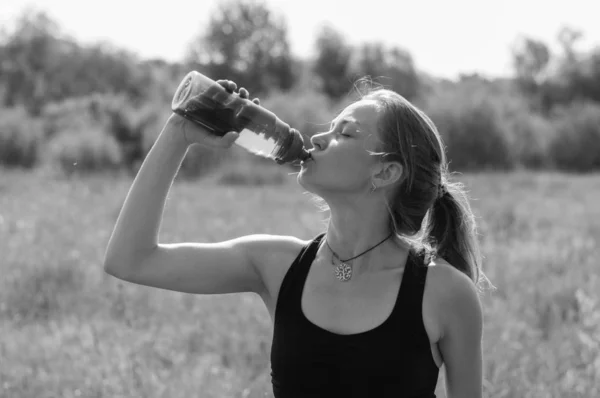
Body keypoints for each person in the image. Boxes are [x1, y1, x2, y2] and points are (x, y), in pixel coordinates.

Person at [104, 79, 488, 398]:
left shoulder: (444, 292)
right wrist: (179, 133)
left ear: (386, 172)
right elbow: (130, 260)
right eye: (330, 126)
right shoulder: (276, 264)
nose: (319, 137)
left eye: (346, 133)